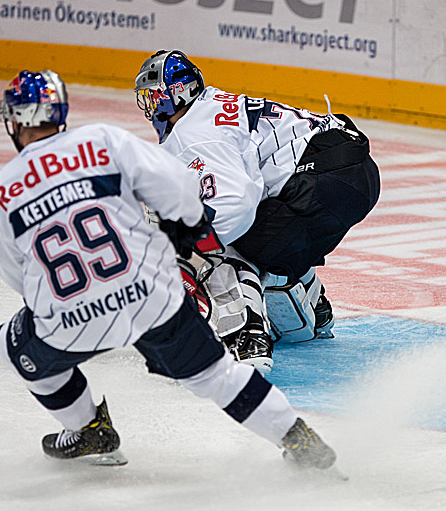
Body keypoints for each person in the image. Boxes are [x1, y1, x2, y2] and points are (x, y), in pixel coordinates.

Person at [0, 68, 337, 470]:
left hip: (72, 315)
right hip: (150, 295)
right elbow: (181, 187)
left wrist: (50, 303)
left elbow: (16, 276)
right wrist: (188, 224)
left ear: (13, 120)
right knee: (216, 377)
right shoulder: (101, 139)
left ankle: (87, 429)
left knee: (15, 351)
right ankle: (300, 440)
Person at [133, 50, 381, 374]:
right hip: (353, 173)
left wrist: (187, 247)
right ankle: (308, 309)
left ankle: (246, 334)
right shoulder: (212, 106)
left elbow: (235, 205)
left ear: (174, 96)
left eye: (152, 98)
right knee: (271, 239)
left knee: (217, 238)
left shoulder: (192, 131)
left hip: (319, 179)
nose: (150, 109)